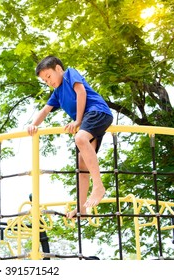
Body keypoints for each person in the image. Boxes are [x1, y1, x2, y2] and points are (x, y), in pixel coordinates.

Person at [27, 55, 113, 219]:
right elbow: (45, 110)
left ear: (58, 69)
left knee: (80, 138)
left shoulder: (69, 74)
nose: (48, 82)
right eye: (45, 81)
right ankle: (81, 209)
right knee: (82, 165)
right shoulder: (57, 93)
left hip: (97, 112)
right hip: (88, 120)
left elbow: (80, 92)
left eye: (49, 76)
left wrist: (78, 120)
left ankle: (98, 186)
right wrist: (34, 124)